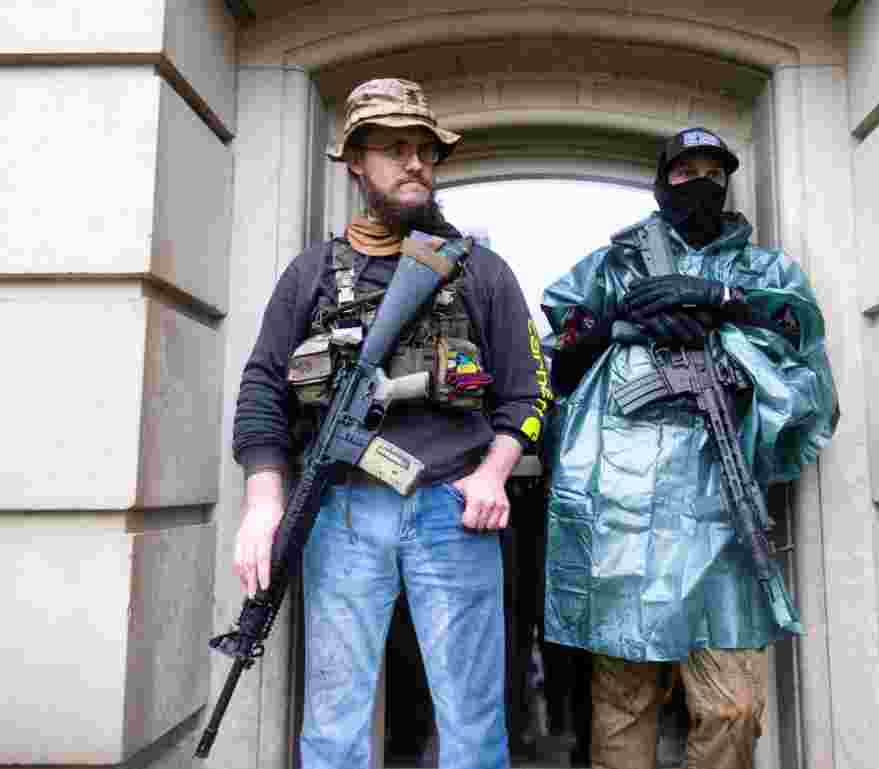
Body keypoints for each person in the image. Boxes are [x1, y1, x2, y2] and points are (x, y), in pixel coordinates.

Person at [230, 78, 551, 769]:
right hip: (341, 509)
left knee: (472, 721)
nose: (415, 162)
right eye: (395, 148)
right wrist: (263, 500)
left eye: (426, 151)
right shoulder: (311, 274)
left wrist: (494, 474)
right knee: (334, 722)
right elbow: (262, 387)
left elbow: (529, 393)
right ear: (355, 161)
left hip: (453, 510)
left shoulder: (481, 273)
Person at [541, 126, 839, 769]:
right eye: (683, 171)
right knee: (622, 713)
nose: (698, 181)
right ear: (660, 181)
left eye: (712, 170)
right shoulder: (615, 261)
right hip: (625, 513)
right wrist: (620, 321)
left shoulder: (768, 271)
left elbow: (804, 354)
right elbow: (559, 349)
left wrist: (723, 301)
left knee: (734, 708)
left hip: (724, 516)